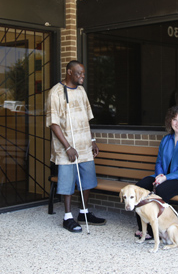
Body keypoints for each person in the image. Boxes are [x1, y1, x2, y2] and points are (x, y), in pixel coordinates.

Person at [46, 60, 106, 233]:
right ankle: (67, 217)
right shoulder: (56, 92)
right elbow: (53, 123)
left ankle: (84, 213)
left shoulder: (81, 91)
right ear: (69, 72)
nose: (82, 77)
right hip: (67, 148)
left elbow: (86, 118)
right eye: (79, 73)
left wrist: (92, 139)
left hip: (84, 145)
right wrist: (67, 147)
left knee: (86, 180)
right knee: (67, 183)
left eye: (84, 74)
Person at [134, 106, 178, 239]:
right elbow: (159, 161)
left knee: (161, 191)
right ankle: (144, 229)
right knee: (139, 188)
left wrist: (166, 177)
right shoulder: (166, 140)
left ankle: (156, 229)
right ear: (170, 122)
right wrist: (159, 176)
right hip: (163, 177)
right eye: (174, 119)